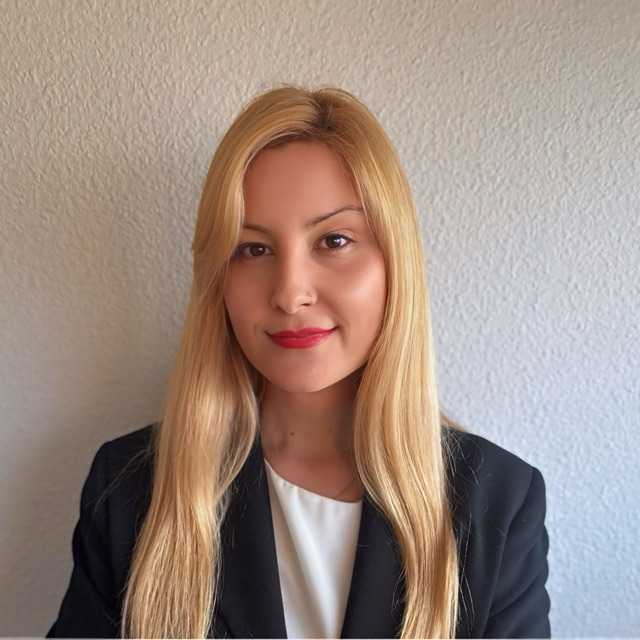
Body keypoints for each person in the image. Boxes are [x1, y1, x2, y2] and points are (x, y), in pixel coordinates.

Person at [46, 84, 551, 639]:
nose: (290, 293)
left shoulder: (496, 504)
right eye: (253, 249)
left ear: (394, 264)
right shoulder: (131, 490)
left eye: (334, 241)